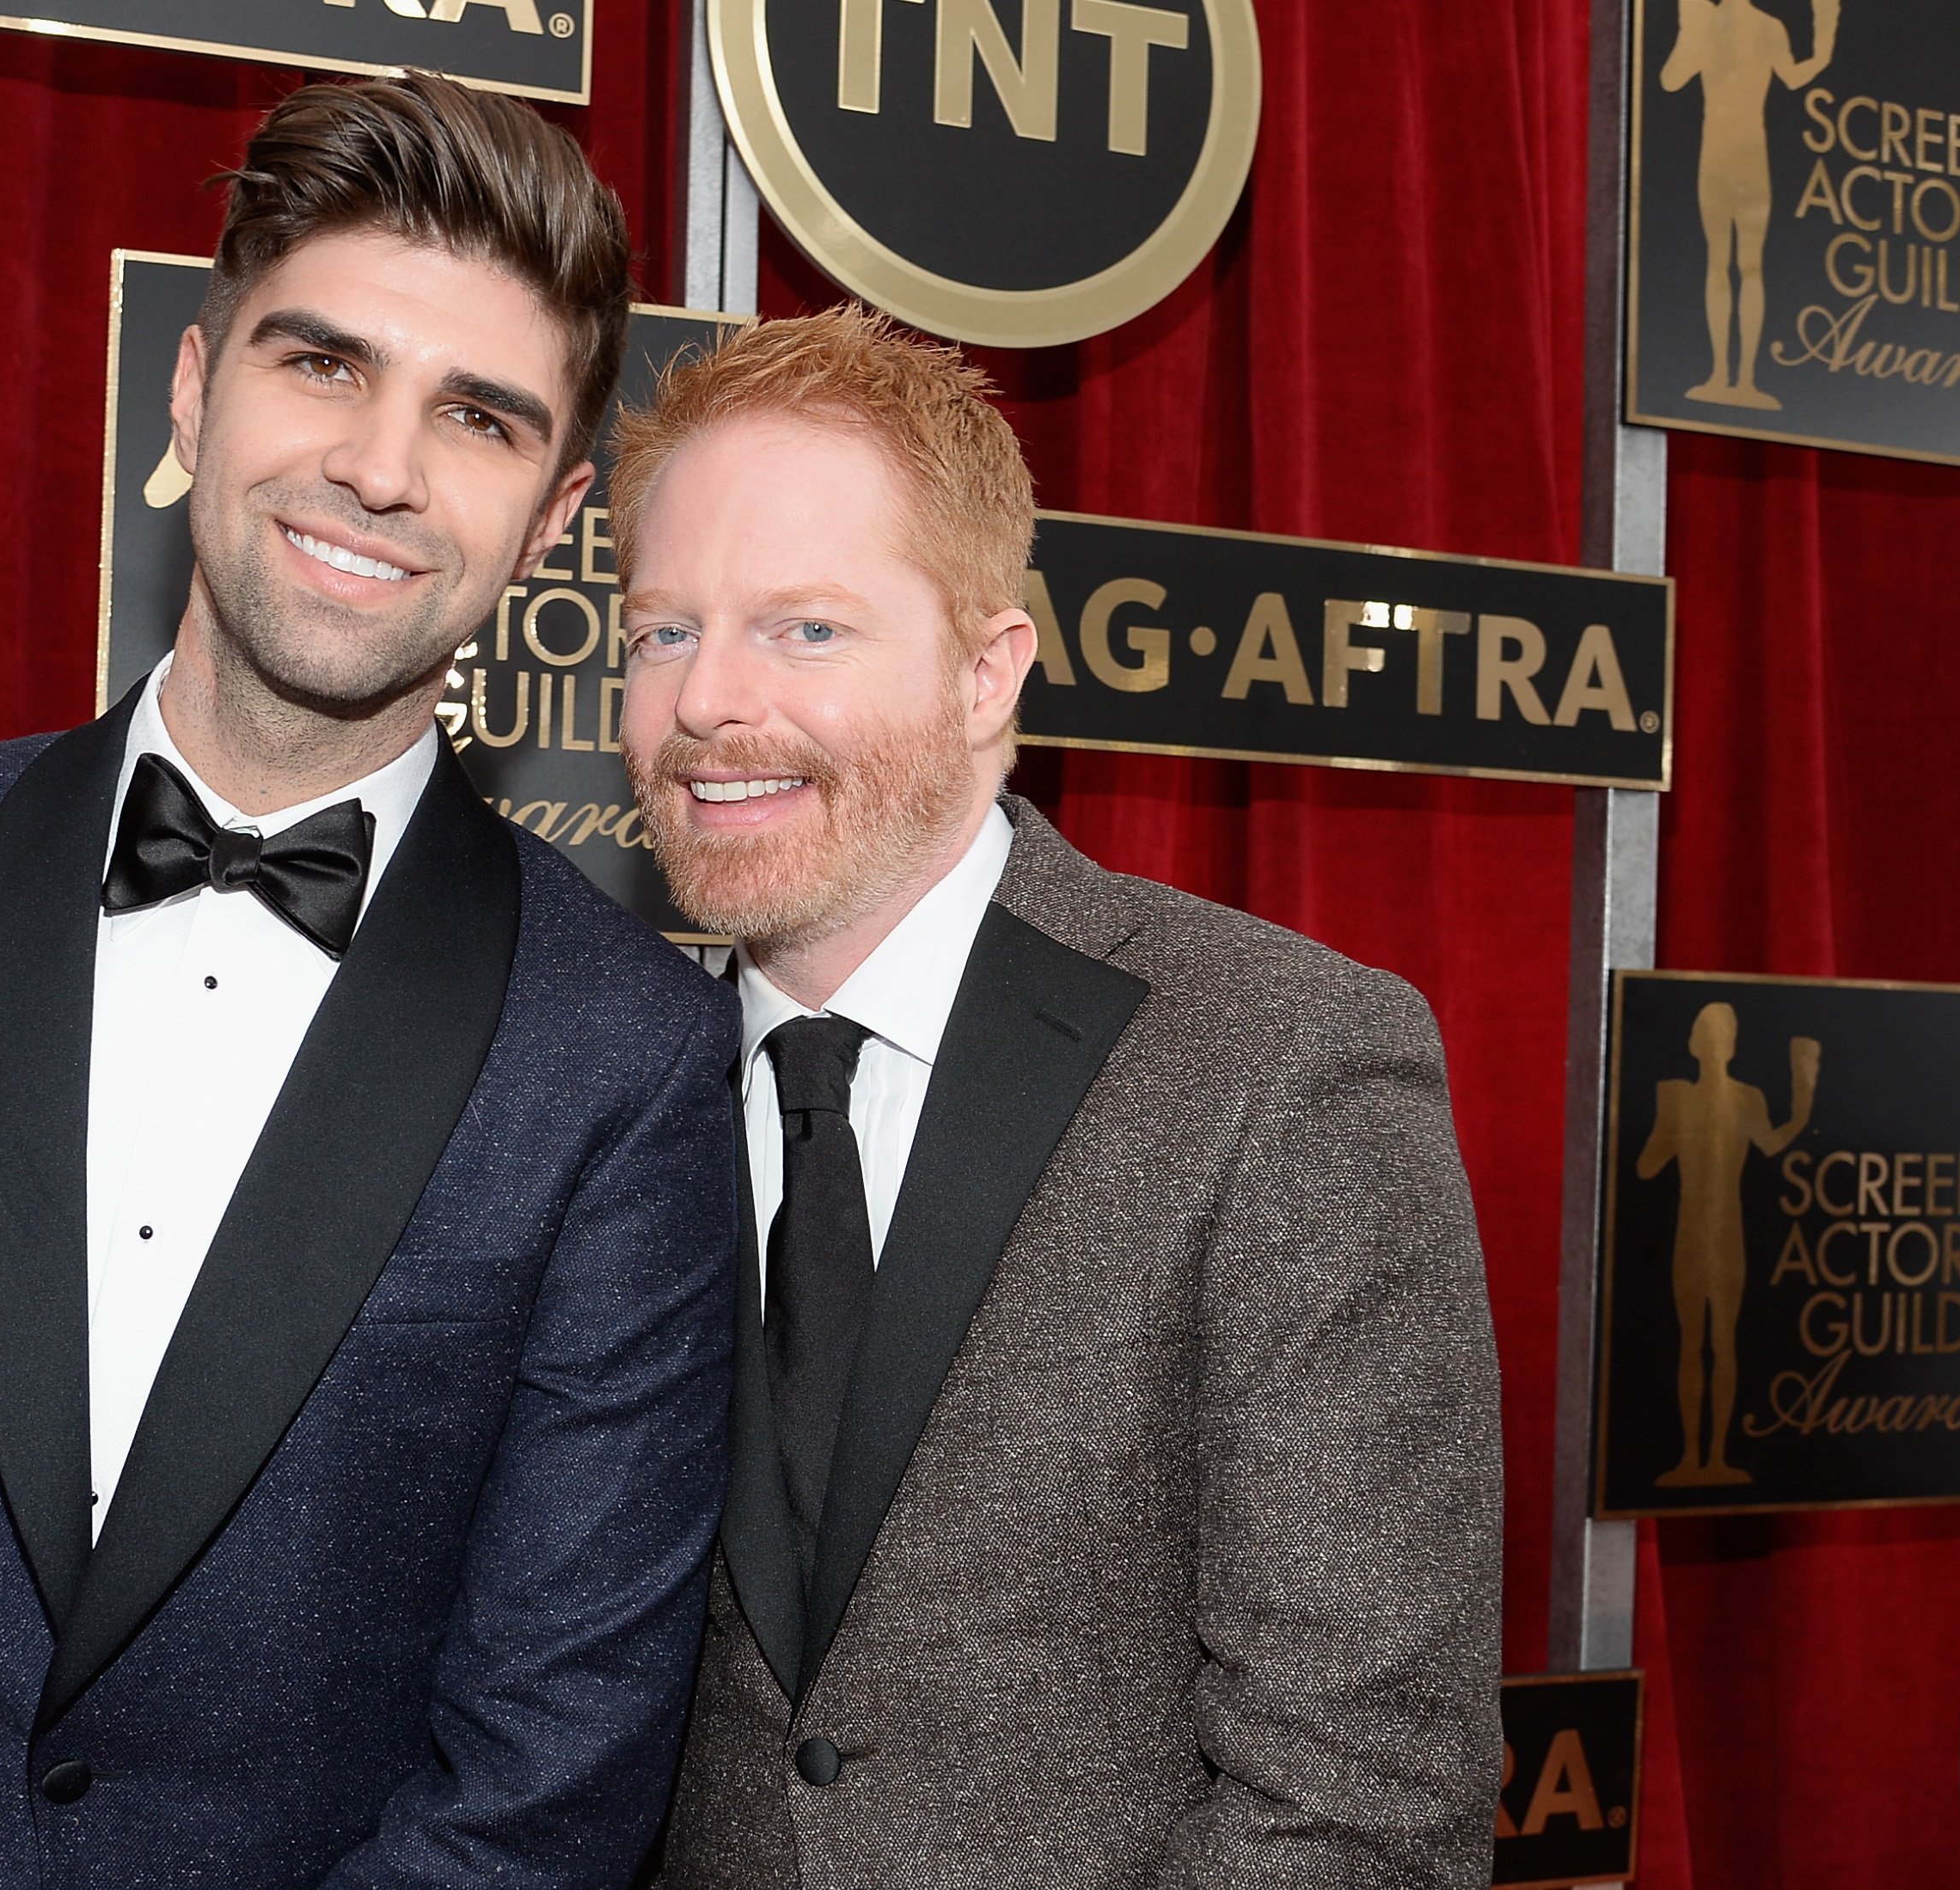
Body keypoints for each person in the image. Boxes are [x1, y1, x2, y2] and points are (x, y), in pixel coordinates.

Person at [0, 73, 738, 1890]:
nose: (382, 467)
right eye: (322, 363)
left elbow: (549, 1766)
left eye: (477, 417)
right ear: (193, 389)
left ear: (558, 512)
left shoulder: (628, 1056)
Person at [610, 306, 1504, 1887]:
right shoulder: (599, 1090)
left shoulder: (1281, 1063)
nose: (706, 703)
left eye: (806, 629)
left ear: (984, 670)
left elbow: (1364, 1795)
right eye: (664, 629)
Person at [1637, 1000, 1819, 1486]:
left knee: (1718, 1344)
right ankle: (1693, 1457)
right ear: (1698, 1044)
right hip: (1692, 1236)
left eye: (1721, 1035)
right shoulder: (1678, 1098)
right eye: (1712, 1033)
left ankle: (1712, 1457)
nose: (1716, 1043)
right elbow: (1648, 1165)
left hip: (1724, 1236)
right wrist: (1659, 1120)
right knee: (1697, 1344)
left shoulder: (1745, 1100)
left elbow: (1772, 1145)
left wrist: (1803, 1101)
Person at [1662, 0, 1839, 408]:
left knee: (1732, 264)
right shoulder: (1755, 25)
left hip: (1733, 157)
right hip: (1735, 156)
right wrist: (1824, 45)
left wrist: (1688, 30)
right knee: (1736, 265)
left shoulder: (1731, 25)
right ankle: (1730, 377)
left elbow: (1673, 78)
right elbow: (1795, 77)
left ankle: (1737, 378)